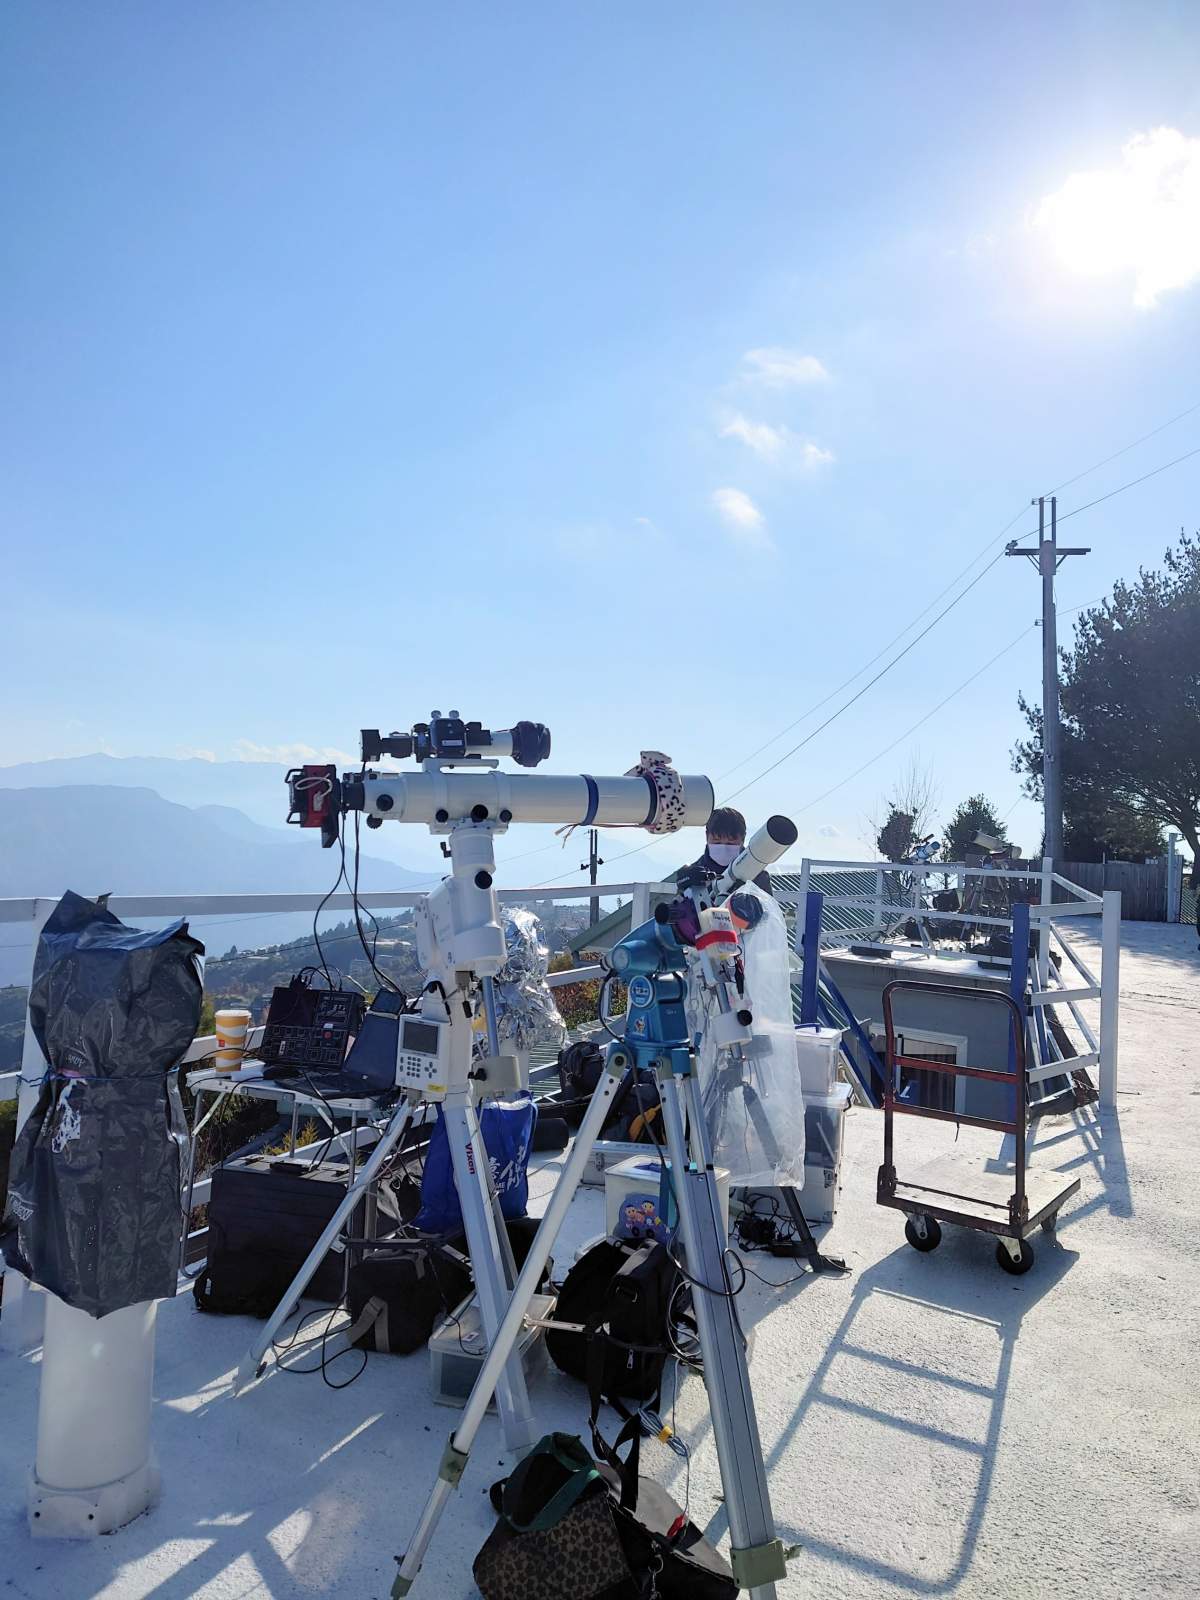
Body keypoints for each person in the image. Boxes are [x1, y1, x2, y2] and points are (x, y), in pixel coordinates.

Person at [687, 806, 773, 894]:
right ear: (706, 836)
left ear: (743, 839)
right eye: (717, 842)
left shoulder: (757, 876)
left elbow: (767, 902)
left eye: (730, 843)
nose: (723, 848)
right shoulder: (692, 875)